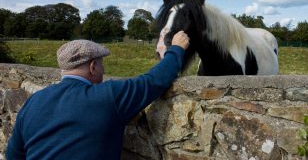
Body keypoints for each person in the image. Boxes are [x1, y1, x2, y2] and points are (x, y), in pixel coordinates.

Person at [6, 31, 190, 160]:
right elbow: (155, 80)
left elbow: (14, 155)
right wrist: (177, 48)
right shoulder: (108, 96)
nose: (103, 70)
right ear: (93, 67)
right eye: (101, 65)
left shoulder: (34, 101)